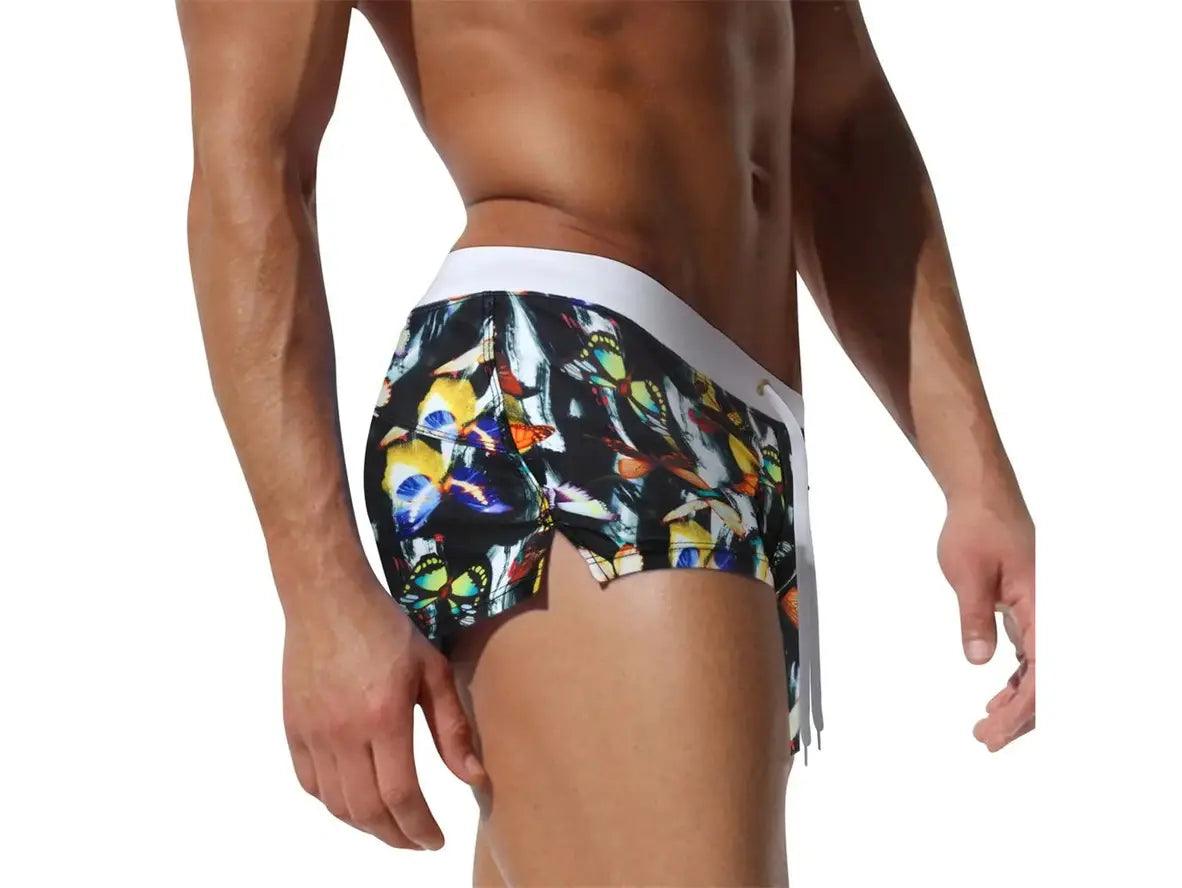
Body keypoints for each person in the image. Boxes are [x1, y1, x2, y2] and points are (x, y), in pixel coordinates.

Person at [177, 1, 1036, 884]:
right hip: (551, 373)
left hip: (747, 416)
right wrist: (319, 595)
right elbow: (252, 160)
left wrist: (976, 477)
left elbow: (841, 125)